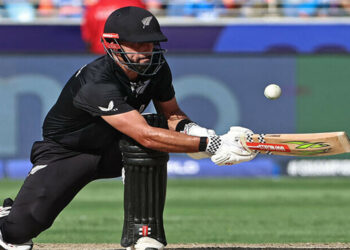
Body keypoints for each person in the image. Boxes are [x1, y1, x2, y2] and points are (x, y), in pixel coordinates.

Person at [0, 6, 256, 250]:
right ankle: (10, 215)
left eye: (152, 43)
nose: (147, 51)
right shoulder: (97, 82)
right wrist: (212, 145)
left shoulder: (156, 69)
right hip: (68, 152)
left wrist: (193, 130)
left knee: (152, 130)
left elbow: (172, 115)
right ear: (113, 45)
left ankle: (145, 234)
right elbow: (146, 135)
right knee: (18, 233)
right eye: (138, 44)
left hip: (116, 145)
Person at [81, 0, 146, 54]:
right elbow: (144, 30)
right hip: (126, 56)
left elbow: (88, 38)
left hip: (99, 55)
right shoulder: (136, 4)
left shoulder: (94, 8)